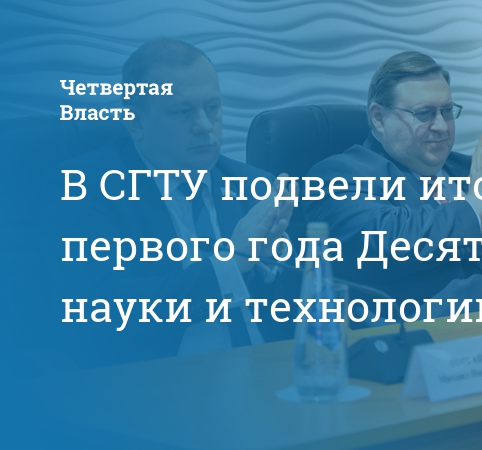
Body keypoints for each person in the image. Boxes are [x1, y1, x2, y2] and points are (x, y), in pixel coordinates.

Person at [43, 38, 294, 366]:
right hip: (157, 380)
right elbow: (102, 309)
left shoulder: (253, 184)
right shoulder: (84, 187)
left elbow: (296, 309)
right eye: (182, 112)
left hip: (271, 370)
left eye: (213, 108)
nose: (204, 126)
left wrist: (280, 263)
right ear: (135, 123)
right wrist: (231, 262)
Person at [304, 51, 482, 314]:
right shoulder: (339, 176)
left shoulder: (472, 169)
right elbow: (389, 245)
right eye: (424, 113)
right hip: (460, 334)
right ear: (379, 117)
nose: (442, 126)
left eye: (447, 111)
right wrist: (475, 202)